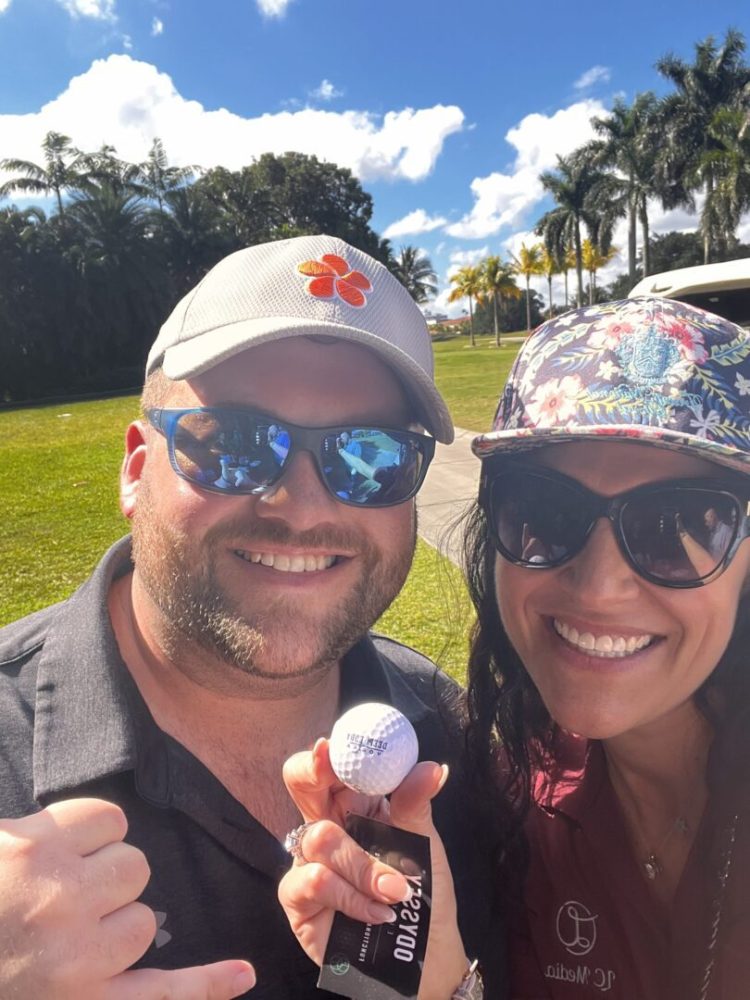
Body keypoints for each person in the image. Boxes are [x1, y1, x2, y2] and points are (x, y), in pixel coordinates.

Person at [0, 235, 504, 998]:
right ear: (137, 469)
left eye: (370, 455)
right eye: (232, 444)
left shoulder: (446, 735)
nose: (302, 508)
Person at [278, 295, 750, 1000]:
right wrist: (428, 979)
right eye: (545, 513)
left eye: (676, 523)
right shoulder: (520, 793)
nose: (598, 587)